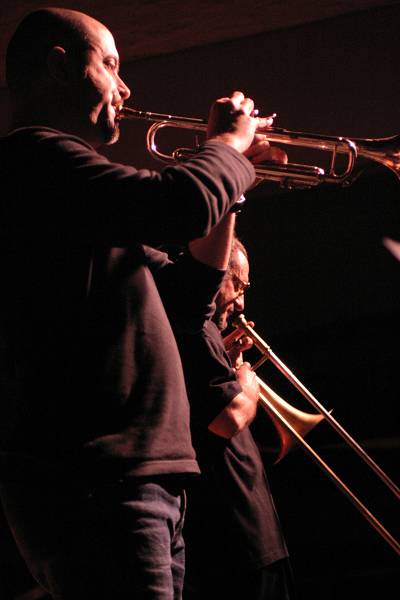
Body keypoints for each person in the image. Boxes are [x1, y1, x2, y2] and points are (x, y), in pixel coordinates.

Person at [0, 6, 285, 600]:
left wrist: (229, 190)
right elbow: (175, 204)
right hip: (98, 484)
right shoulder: (32, 159)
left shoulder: (73, 196)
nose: (126, 87)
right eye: (110, 64)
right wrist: (227, 147)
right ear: (58, 68)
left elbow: (189, 291)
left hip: (134, 483)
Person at [158, 212, 295, 599]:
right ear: (218, 271)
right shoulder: (195, 327)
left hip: (247, 533)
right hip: (235, 537)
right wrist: (247, 384)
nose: (242, 300)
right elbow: (228, 417)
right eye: (240, 284)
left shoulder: (203, 332)